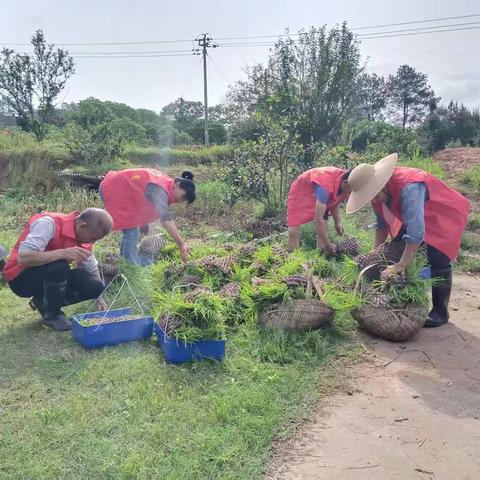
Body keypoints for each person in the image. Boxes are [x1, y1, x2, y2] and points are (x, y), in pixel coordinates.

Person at [346, 153, 471, 328]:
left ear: (381, 184)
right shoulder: (377, 195)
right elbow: (382, 225)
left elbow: (415, 232)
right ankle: (396, 298)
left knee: (438, 258)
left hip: (445, 213)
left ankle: (440, 313)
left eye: (374, 195)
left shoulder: (409, 186)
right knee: (396, 246)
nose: (373, 200)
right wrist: (375, 253)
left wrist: (402, 264)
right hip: (416, 216)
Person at [2, 208, 113, 331]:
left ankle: (42, 301)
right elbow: (23, 258)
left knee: (96, 286)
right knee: (59, 265)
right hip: (20, 279)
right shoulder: (48, 223)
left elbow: (92, 268)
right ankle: (52, 317)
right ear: (82, 226)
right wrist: (62, 253)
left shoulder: (83, 236)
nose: (93, 242)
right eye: (93, 238)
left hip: (50, 272)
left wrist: (99, 298)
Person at [99, 168, 195, 265]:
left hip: (118, 189)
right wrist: (181, 244)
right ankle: (130, 266)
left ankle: (125, 262)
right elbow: (166, 220)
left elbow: (141, 195)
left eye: (183, 200)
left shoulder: (167, 184)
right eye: (182, 197)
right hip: (112, 189)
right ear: (177, 185)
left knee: (131, 232)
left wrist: (143, 222)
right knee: (132, 233)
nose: (180, 201)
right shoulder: (161, 190)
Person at [287, 167, 352, 252]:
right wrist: (329, 244)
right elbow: (318, 219)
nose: (350, 193)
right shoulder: (325, 187)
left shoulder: (347, 183)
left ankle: (321, 250)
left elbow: (336, 201)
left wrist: (337, 223)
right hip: (301, 190)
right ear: (345, 183)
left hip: (321, 194)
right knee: (294, 226)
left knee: (324, 221)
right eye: (350, 190)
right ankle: (294, 255)